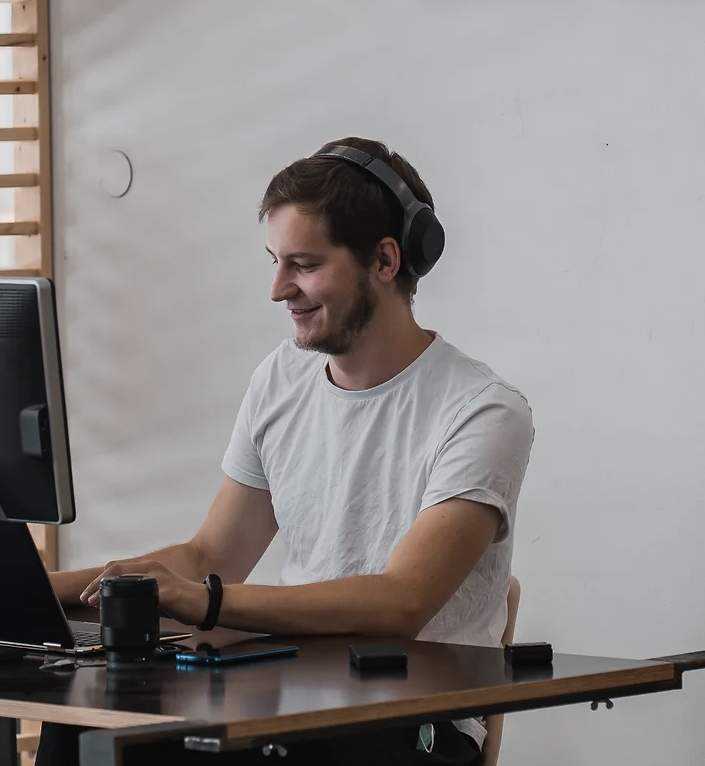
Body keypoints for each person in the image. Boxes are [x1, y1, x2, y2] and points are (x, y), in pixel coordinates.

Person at [37, 137, 535, 765]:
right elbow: (210, 556)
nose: (278, 289)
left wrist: (207, 600)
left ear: (385, 260)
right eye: (275, 262)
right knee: (82, 725)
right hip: (292, 693)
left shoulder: (483, 410)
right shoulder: (282, 377)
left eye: (303, 264)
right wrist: (40, 589)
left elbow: (401, 602)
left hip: (410, 724)